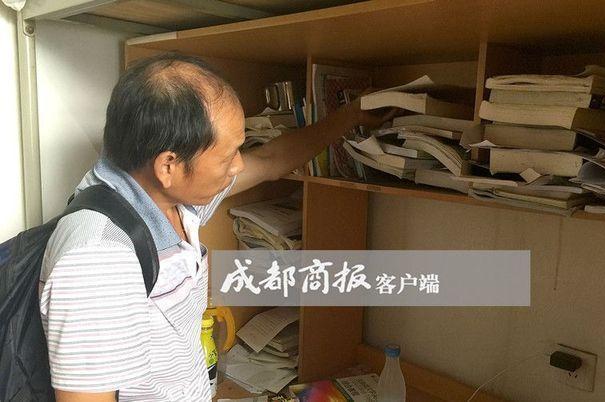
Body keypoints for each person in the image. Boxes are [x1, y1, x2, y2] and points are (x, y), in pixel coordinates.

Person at [38, 52, 392, 402]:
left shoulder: (167, 195)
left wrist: (350, 116)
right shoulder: (97, 258)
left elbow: (270, 160)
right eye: (227, 156)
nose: (237, 166)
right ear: (168, 166)